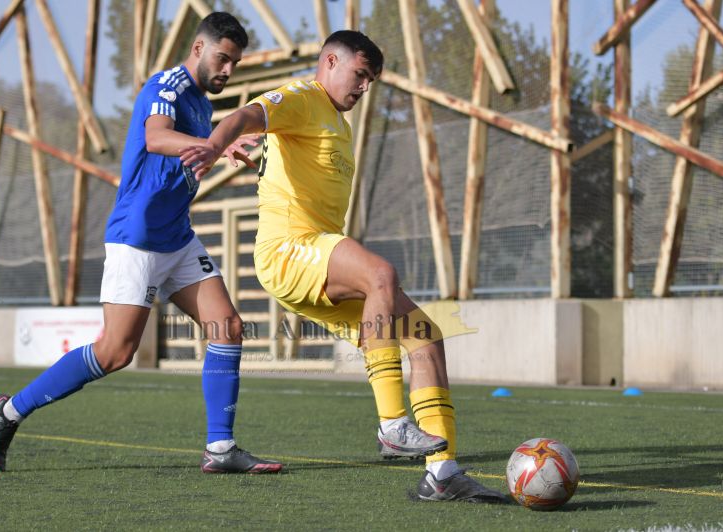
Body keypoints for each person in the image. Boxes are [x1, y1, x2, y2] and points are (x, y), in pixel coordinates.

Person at [179, 30, 507, 502]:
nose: (363, 87)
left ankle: (442, 474)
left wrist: (235, 144)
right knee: (381, 275)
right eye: (359, 74)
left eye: (370, 80)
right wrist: (214, 144)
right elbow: (248, 114)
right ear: (329, 61)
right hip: (289, 250)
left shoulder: (336, 121)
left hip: (317, 256)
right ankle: (393, 426)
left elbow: (260, 133)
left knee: (425, 336)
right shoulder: (302, 95)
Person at [0, 12, 281, 476]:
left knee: (228, 327)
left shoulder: (201, 104)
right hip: (137, 238)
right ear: (198, 48)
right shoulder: (167, 86)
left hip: (177, 236)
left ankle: (220, 449)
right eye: (223, 59)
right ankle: (10, 411)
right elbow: (157, 137)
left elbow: (192, 146)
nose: (227, 70)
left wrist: (221, 145)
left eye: (235, 64)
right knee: (116, 353)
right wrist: (216, 146)